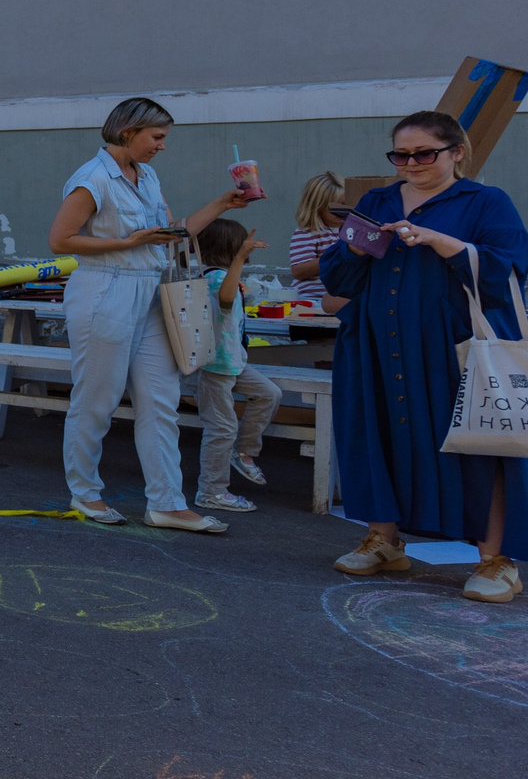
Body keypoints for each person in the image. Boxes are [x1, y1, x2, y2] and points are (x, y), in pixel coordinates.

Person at [320, 111, 528, 604]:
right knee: (378, 435)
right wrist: (358, 248)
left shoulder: (486, 202)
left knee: (482, 446)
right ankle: (384, 539)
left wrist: (440, 242)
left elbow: (507, 274)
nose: (412, 163)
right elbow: (337, 280)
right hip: (379, 343)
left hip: (457, 349)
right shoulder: (376, 201)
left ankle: (495, 560)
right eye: (401, 155)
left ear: (456, 153)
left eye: (425, 153)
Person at [46, 98, 252, 530]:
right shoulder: (91, 179)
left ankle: (166, 502)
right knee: (97, 400)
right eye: (157, 137)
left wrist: (221, 204)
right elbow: (61, 241)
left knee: (161, 403)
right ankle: (85, 494)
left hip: (153, 291)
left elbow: (172, 235)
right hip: (106, 290)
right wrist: (131, 242)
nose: (162, 146)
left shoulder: (148, 175)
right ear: (128, 132)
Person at [190, 219, 278, 510]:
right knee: (222, 429)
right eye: (241, 245)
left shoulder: (222, 274)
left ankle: (242, 453)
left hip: (233, 362)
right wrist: (240, 259)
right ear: (231, 248)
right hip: (216, 366)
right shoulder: (216, 277)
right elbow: (226, 299)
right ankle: (211, 492)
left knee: (269, 393)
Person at [284, 172, 350, 312]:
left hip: (342, 302)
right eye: (334, 208)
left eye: (345, 205)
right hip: (311, 303)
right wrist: (338, 254)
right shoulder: (308, 232)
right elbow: (298, 271)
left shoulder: (352, 231)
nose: (341, 211)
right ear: (317, 207)